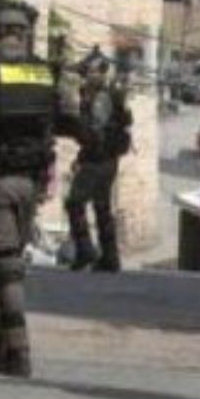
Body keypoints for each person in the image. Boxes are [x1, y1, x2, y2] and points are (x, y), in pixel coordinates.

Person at [0, 0, 77, 378]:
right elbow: (69, 117)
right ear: (25, 34)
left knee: (5, 267)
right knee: (9, 262)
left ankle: (19, 347)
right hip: (31, 183)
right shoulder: (45, 72)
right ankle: (1, 343)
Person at [65, 47, 133, 273]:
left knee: (74, 203)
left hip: (98, 159)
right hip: (107, 158)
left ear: (98, 73)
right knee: (102, 206)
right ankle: (110, 257)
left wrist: (81, 149)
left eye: (86, 73)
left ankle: (85, 249)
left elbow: (94, 133)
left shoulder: (100, 98)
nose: (83, 78)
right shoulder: (107, 94)